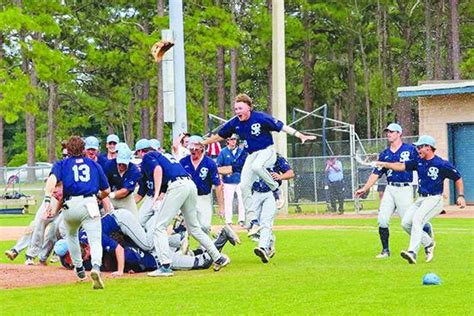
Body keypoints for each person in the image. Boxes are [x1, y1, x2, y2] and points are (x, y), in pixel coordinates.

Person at [201, 93, 315, 230]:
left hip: (267, 151)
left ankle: (276, 190)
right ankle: (252, 219)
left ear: (249, 108)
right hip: (251, 155)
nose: (237, 111)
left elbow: (282, 126)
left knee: (257, 167)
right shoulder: (235, 123)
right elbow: (220, 135)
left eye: (240, 108)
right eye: (236, 109)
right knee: (243, 186)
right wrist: (204, 143)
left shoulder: (260, 117)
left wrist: (299, 135)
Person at [375, 135, 465, 264]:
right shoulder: (418, 161)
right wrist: (384, 164)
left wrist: (461, 196)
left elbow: (458, 177)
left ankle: (412, 252)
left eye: (420, 147)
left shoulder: (441, 164)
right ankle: (429, 243)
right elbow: (401, 166)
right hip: (421, 198)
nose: (417, 150)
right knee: (405, 223)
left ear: (428, 148)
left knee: (417, 219)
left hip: (434, 199)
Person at [140, 150, 230, 277]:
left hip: (178, 185)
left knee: (159, 227)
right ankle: (218, 257)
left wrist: (155, 196)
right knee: (195, 229)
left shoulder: (149, 155)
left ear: (141, 151)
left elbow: (158, 170)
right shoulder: (167, 158)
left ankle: (165, 266)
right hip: (189, 184)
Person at [355, 123, 433, 259]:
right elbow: (376, 173)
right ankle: (385, 250)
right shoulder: (385, 154)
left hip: (405, 189)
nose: (389, 134)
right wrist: (365, 188)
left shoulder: (410, 149)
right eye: (388, 132)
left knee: (407, 222)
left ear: (399, 133)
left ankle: (427, 234)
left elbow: (421, 164)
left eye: (392, 132)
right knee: (382, 220)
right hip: (390, 188)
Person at [44, 135, 110, 289]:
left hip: (70, 205)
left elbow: (52, 180)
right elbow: (106, 190)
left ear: (68, 149)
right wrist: (99, 197)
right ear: (83, 149)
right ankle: (95, 267)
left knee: (71, 235)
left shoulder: (62, 164)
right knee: (95, 239)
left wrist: (48, 200)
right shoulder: (93, 164)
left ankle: (79, 268)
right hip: (89, 202)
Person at [250, 154, 294, 263]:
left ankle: (263, 248)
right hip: (255, 192)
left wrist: (280, 177)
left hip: (271, 193)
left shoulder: (276, 157)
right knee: (250, 224)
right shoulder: (252, 156)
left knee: (266, 221)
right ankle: (270, 240)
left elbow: (290, 173)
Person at [180, 135, 224, 234]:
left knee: (205, 226)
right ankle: (181, 248)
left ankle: (203, 248)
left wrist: (221, 207)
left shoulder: (209, 163)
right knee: (183, 226)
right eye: (191, 148)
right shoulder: (183, 162)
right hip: (187, 197)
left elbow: (218, 184)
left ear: (202, 148)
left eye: (196, 148)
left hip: (203, 197)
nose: (193, 150)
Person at [216, 134, 245, 226]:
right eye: (231, 139)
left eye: (234, 139)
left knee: (242, 200)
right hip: (228, 181)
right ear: (227, 140)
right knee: (228, 200)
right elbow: (218, 167)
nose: (233, 141)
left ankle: (242, 219)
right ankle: (228, 220)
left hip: (240, 180)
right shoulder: (223, 152)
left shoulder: (241, 152)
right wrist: (221, 177)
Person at [103, 143, 141, 215]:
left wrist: (111, 194)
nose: (121, 166)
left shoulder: (134, 170)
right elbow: (103, 184)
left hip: (126, 199)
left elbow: (125, 192)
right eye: (119, 163)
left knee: (135, 221)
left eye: (124, 164)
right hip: (109, 198)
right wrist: (105, 196)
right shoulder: (108, 165)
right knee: (105, 219)